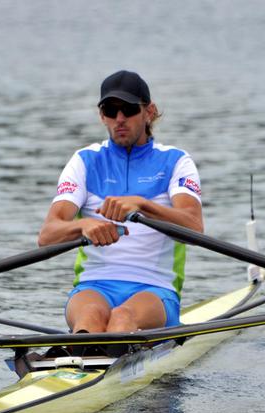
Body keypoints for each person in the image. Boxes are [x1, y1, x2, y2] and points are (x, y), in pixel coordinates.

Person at [37, 70, 204, 334]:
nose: (120, 119)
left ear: (149, 111)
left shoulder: (176, 161)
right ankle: (86, 360)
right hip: (94, 286)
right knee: (91, 316)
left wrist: (144, 205)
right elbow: (47, 235)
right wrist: (84, 226)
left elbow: (194, 229)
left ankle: (102, 355)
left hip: (154, 289)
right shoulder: (85, 161)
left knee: (122, 317)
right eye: (110, 110)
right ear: (101, 115)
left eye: (128, 109)